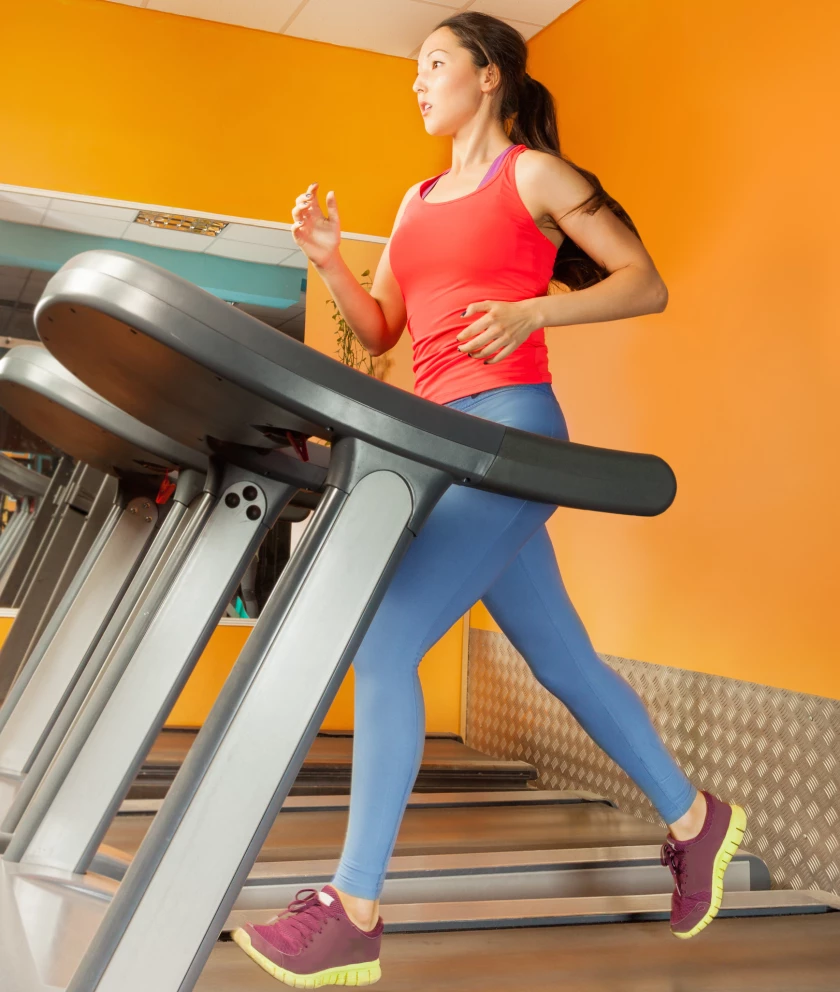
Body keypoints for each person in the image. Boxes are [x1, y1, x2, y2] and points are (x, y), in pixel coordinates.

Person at [232, 10, 746, 987]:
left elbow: (645, 284)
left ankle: (354, 907)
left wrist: (533, 309)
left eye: (434, 63)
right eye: (416, 67)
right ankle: (694, 816)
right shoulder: (417, 198)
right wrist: (332, 257)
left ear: (490, 74)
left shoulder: (533, 176)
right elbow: (382, 330)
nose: (418, 81)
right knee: (561, 658)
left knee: (382, 638)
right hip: (440, 443)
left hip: (511, 430)